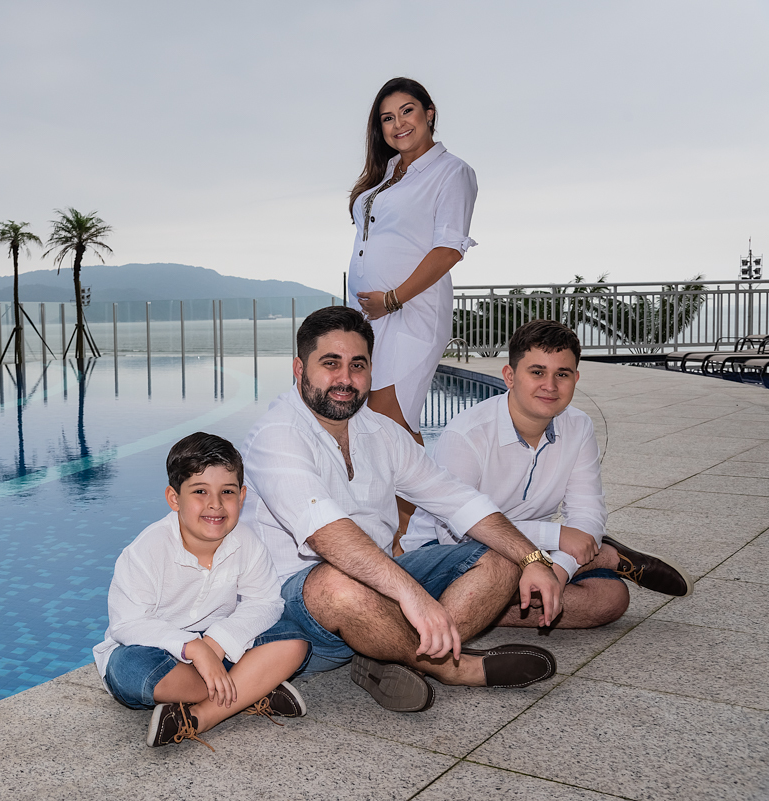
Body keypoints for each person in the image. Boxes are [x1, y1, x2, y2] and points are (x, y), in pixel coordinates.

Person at [241, 306, 562, 714]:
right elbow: (325, 532)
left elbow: (456, 498)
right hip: (298, 607)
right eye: (330, 364)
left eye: (358, 365)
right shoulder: (277, 435)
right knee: (337, 584)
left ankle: (384, 652)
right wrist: (412, 596)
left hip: (379, 586)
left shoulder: (381, 431)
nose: (345, 379)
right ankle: (450, 667)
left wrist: (531, 556)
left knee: (501, 562)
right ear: (298, 369)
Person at [400, 320, 693, 628]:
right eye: (537, 372)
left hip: (534, 551)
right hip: (448, 552)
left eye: (562, 374)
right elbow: (454, 536)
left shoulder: (578, 427)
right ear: (510, 376)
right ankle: (606, 556)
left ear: (576, 378)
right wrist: (556, 537)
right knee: (495, 574)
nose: (550, 386)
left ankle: (467, 609)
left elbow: (587, 514)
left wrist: (559, 571)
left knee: (611, 599)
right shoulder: (468, 434)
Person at [93, 432, 311, 751]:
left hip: (218, 647)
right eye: (200, 491)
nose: (215, 504)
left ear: (243, 495)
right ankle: (251, 688)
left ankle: (200, 717)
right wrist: (193, 648)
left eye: (227, 491)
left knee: (293, 640)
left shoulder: (246, 543)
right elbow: (127, 625)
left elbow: (265, 602)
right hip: (157, 651)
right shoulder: (145, 551)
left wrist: (216, 642)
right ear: (174, 498)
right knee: (131, 670)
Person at [348, 76, 478, 441]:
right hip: (369, 314)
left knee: (393, 425)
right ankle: (384, 500)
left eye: (407, 111)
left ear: (429, 114)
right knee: (369, 426)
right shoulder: (387, 173)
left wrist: (391, 300)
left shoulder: (452, 172)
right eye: (387, 118)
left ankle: (410, 499)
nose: (398, 123)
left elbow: (449, 249)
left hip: (410, 311)